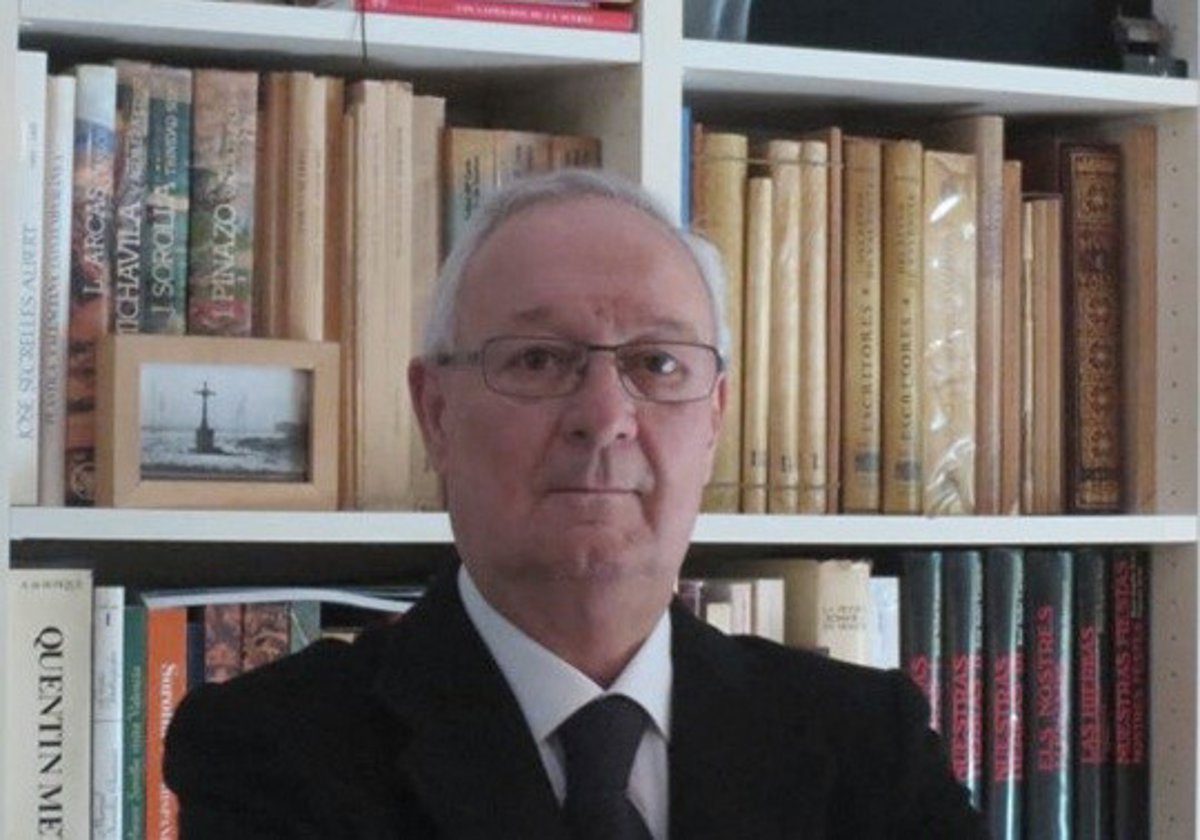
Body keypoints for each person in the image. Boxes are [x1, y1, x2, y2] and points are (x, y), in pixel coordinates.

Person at [165, 168, 986, 839]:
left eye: (657, 364)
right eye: (538, 359)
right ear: (436, 414)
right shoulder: (272, 748)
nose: (604, 415)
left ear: (715, 420)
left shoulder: (867, 741)